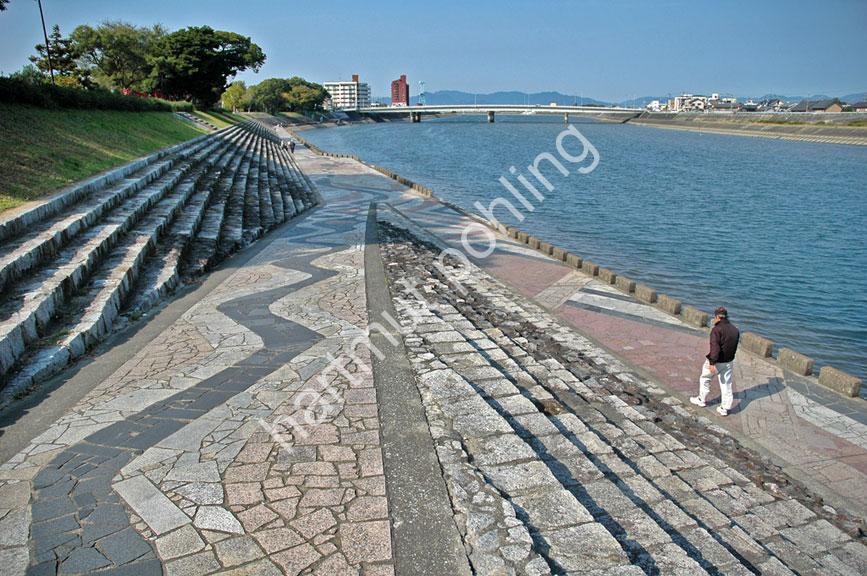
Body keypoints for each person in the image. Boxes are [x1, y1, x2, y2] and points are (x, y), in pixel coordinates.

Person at [690, 306, 740, 416]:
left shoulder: (716, 330)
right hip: (728, 361)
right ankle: (724, 408)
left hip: (716, 361)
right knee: (726, 384)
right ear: (726, 316)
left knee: (705, 378)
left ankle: (701, 399)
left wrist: (712, 362)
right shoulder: (735, 330)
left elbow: (715, 347)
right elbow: (734, 346)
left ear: (717, 317)